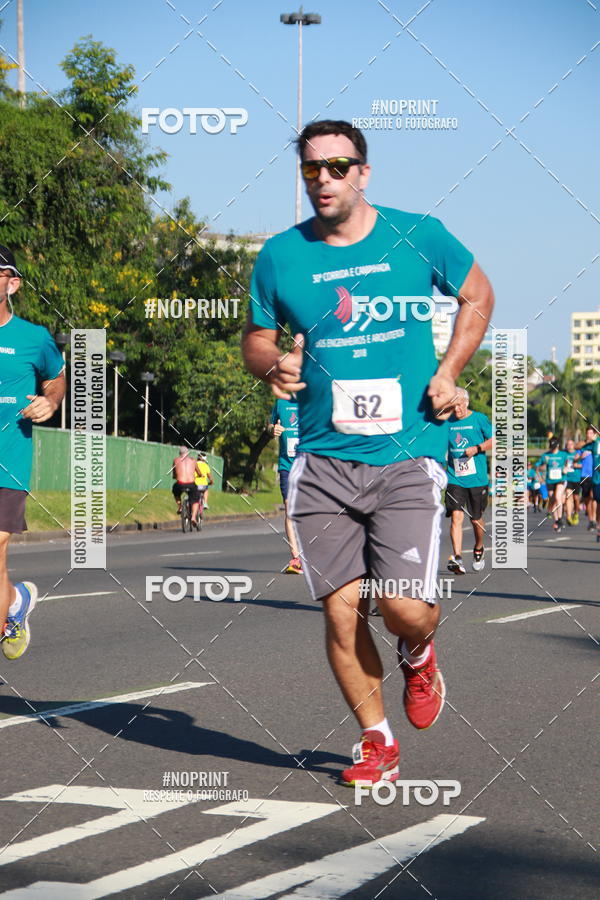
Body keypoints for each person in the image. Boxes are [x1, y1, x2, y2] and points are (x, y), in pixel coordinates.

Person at [242, 120, 494, 786]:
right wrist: (271, 366)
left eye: (336, 166)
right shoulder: (280, 255)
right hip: (322, 457)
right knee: (339, 607)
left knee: (404, 607)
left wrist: (449, 370)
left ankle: (419, 651)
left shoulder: (419, 235)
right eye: (310, 170)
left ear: (364, 172)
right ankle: (375, 739)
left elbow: (478, 294)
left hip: (409, 451)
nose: (322, 179)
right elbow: (257, 339)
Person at [0, 246, 65, 660]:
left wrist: (51, 401)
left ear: (13, 283)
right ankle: (16, 604)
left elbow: (56, 376)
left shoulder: (33, 337)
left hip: (8, 463)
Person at [445, 388, 493, 574]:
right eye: (453, 406)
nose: (456, 409)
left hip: (477, 478)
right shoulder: (447, 423)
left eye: (459, 405)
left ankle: (479, 547)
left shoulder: (479, 419)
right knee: (456, 517)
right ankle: (457, 558)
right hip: (454, 477)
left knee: (476, 519)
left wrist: (478, 448)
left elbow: (495, 440)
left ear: (466, 402)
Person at [268, 397, 302, 574]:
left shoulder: (314, 398)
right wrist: (273, 429)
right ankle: (296, 559)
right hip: (287, 467)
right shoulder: (281, 403)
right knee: (289, 510)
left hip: (310, 467)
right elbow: (268, 426)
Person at [536, 437, 568, 532]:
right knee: (552, 499)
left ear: (558, 445)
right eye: (551, 447)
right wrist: (541, 476)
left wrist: (566, 468)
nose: (553, 449)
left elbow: (568, 464)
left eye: (554, 446)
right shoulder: (545, 456)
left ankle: (560, 518)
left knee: (558, 497)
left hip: (560, 479)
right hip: (550, 481)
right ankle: (557, 520)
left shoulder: (563, 454)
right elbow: (538, 468)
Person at [577, 426, 600, 539]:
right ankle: (593, 521)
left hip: (594, 477)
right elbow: (577, 447)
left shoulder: (597, 443)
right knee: (590, 500)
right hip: (589, 477)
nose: (589, 435)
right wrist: (588, 440)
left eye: (591, 433)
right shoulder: (591, 444)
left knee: (594, 499)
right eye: (588, 433)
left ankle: (596, 521)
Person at [172, 447, 201, 527]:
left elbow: (174, 474)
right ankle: (193, 518)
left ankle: (180, 506)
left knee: (175, 491)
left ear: (179, 453)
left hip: (180, 483)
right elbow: (198, 472)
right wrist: (200, 475)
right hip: (191, 483)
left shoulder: (176, 460)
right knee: (196, 499)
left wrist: (176, 476)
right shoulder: (193, 460)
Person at [563, 438, 581, 526]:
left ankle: (576, 513)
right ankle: (569, 516)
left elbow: (584, 465)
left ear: (574, 445)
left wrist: (577, 465)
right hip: (567, 478)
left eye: (571, 444)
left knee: (576, 498)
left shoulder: (578, 454)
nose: (569, 446)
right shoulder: (564, 454)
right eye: (568, 444)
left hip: (577, 478)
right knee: (568, 496)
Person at [194, 452, 214, 519]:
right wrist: (211, 482)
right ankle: (205, 503)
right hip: (203, 485)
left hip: (194, 484)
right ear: (205, 459)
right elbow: (210, 477)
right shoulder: (206, 466)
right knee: (206, 490)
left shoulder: (194, 464)